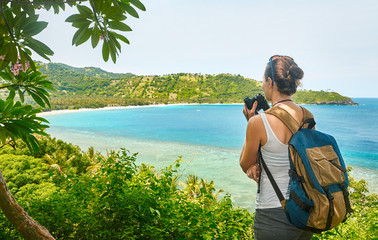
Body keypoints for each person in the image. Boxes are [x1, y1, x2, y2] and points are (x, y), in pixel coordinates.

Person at [239, 55, 313, 240]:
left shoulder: (258, 122)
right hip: (305, 210)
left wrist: (250, 123)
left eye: (263, 80)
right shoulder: (307, 116)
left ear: (270, 82)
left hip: (273, 215)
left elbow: (244, 163)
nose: (263, 85)